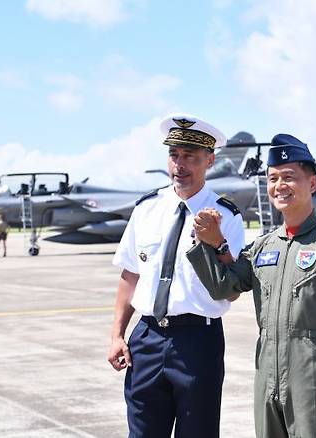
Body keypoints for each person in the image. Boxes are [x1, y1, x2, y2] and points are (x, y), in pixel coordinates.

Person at [187, 134, 316, 438]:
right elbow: (226, 287)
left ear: (312, 184)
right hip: (267, 376)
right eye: (273, 178)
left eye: (289, 177)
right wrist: (210, 243)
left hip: (315, 377)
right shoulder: (263, 247)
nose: (279, 186)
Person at [107, 114, 246, 438]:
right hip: (147, 338)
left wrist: (216, 242)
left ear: (209, 160)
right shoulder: (146, 209)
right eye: (174, 155)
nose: (179, 165)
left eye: (190, 157)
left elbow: (233, 290)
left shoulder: (226, 215)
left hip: (197, 341)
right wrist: (117, 335)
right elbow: (131, 275)